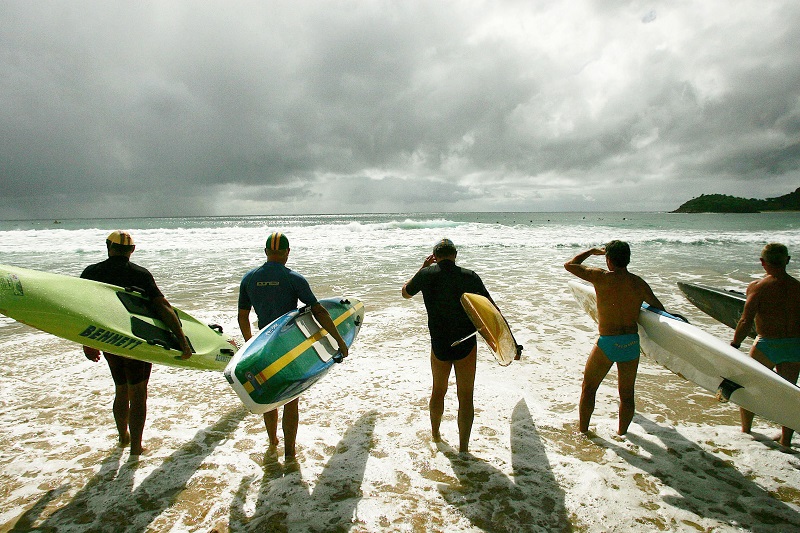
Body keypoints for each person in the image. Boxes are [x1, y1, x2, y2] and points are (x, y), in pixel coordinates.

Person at [237, 232, 349, 462]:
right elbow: (319, 311)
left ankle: (272, 443)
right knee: (290, 399)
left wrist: (249, 345)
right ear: (287, 252)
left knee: (268, 397)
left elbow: (242, 316)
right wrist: (339, 340)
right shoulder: (293, 278)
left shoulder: (249, 278)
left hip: (262, 346)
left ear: (266, 252)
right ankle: (289, 452)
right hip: (286, 346)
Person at [81, 231, 192, 456]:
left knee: (121, 389)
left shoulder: (91, 272)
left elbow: (81, 309)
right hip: (136, 341)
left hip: (109, 340)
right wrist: (183, 342)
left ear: (107, 246)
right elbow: (163, 308)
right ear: (132, 250)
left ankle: (123, 437)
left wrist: (87, 342)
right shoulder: (140, 275)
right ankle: (136, 447)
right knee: (138, 392)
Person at [402, 238, 510, 454]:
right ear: (455, 254)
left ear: (435, 255)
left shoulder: (426, 275)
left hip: (439, 343)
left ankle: (435, 435)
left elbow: (405, 293)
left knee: (438, 391)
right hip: (466, 343)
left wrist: (422, 268)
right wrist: (509, 343)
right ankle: (463, 449)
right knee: (466, 396)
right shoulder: (469, 276)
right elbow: (491, 310)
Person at [564, 241, 665, 435]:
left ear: (608, 259)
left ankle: (583, 432)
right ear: (628, 259)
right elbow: (659, 308)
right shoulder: (639, 283)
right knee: (627, 395)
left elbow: (569, 265)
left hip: (608, 343)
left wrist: (592, 252)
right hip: (631, 344)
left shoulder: (600, 276)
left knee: (589, 388)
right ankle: (622, 434)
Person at [731, 243, 800, 447]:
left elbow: (745, 320)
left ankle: (747, 431)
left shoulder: (758, 287)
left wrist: (735, 344)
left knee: (748, 387)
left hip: (767, 345)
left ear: (763, 263)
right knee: (788, 394)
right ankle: (786, 441)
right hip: (795, 345)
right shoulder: (798, 288)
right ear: (787, 260)